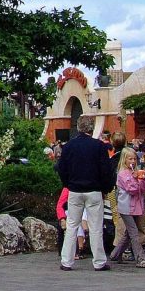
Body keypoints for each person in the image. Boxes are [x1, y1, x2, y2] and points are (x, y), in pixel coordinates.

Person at [56, 115, 115, 272]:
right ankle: (99, 262)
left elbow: (61, 168)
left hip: (74, 190)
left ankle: (66, 261)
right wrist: (106, 188)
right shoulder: (99, 146)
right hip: (94, 190)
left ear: (78, 127)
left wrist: (67, 184)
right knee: (95, 227)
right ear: (92, 128)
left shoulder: (69, 146)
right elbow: (106, 170)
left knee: (72, 226)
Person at [108, 148, 145, 268]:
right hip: (126, 208)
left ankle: (115, 254)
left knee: (129, 233)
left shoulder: (137, 171)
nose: (132, 161)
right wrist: (136, 179)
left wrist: (144, 178)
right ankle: (141, 258)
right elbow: (131, 189)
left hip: (137, 207)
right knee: (134, 233)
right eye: (130, 158)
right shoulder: (122, 174)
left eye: (134, 159)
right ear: (124, 160)